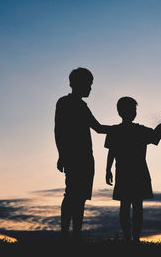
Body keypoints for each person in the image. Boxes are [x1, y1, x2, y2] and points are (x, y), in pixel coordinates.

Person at [54, 67, 110, 242]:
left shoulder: (78, 105)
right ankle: (66, 235)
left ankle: (74, 235)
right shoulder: (67, 103)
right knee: (72, 195)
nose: (90, 88)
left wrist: (62, 154)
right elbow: (59, 131)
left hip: (84, 157)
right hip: (77, 157)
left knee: (78, 197)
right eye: (89, 84)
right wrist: (62, 154)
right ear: (78, 84)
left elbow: (98, 128)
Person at [104, 97, 161, 243]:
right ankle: (132, 239)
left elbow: (157, 135)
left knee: (128, 206)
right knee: (133, 206)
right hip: (135, 173)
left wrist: (108, 170)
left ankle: (132, 239)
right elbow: (157, 136)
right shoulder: (137, 130)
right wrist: (107, 170)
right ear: (124, 112)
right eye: (132, 110)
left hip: (128, 173)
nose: (134, 112)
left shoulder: (116, 131)